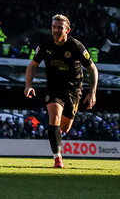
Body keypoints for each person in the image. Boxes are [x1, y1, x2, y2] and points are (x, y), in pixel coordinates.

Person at [24, 14, 98, 169]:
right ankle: (57, 158)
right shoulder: (45, 45)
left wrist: (92, 92)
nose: (56, 30)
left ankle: (59, 144)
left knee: (65, 127)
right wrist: (28, 85)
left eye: (60, 27)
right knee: (54, 116)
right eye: (54, 27)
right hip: (54, 86)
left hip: (73, 88)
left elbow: (92, 69)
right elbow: (32, 66)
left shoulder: (76, 46)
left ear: (68, 30)